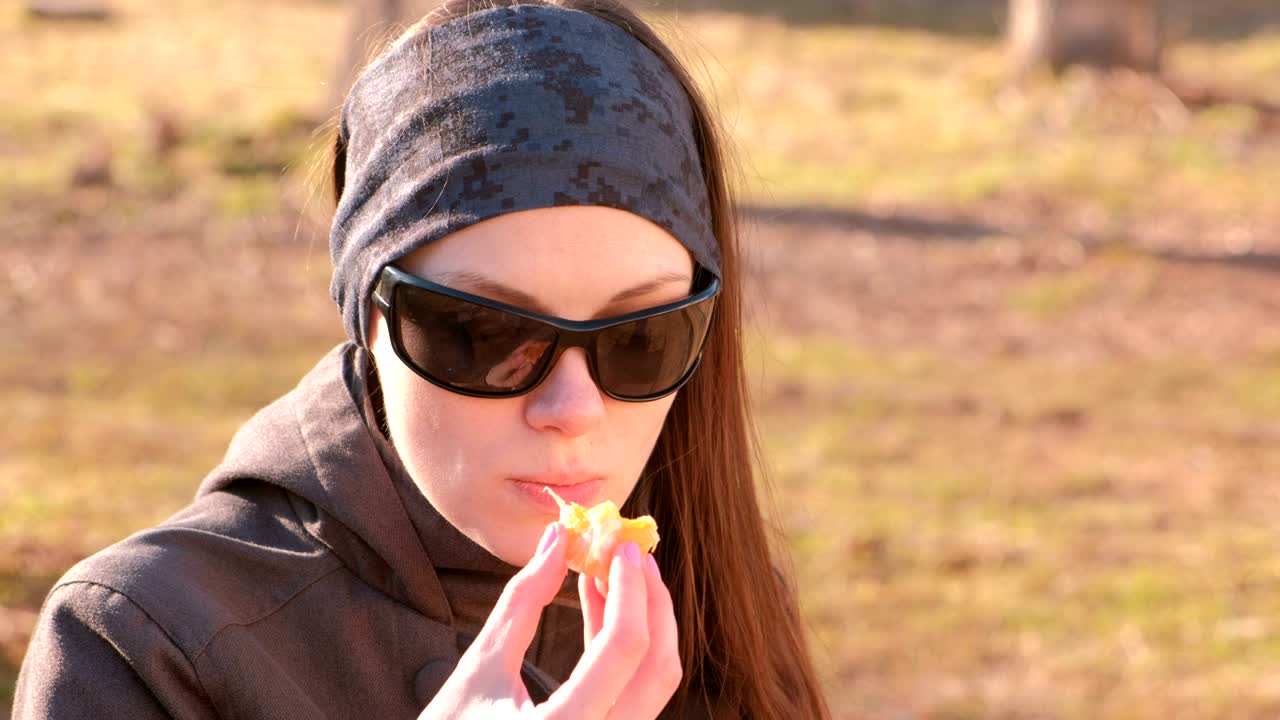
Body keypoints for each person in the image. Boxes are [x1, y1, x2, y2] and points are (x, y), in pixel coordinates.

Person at [13, 1, 832, 718]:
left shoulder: (720, 607)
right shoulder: (141, 643)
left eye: (641, 338)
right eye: (486, 336)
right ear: (367, 315)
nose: (573, 408)